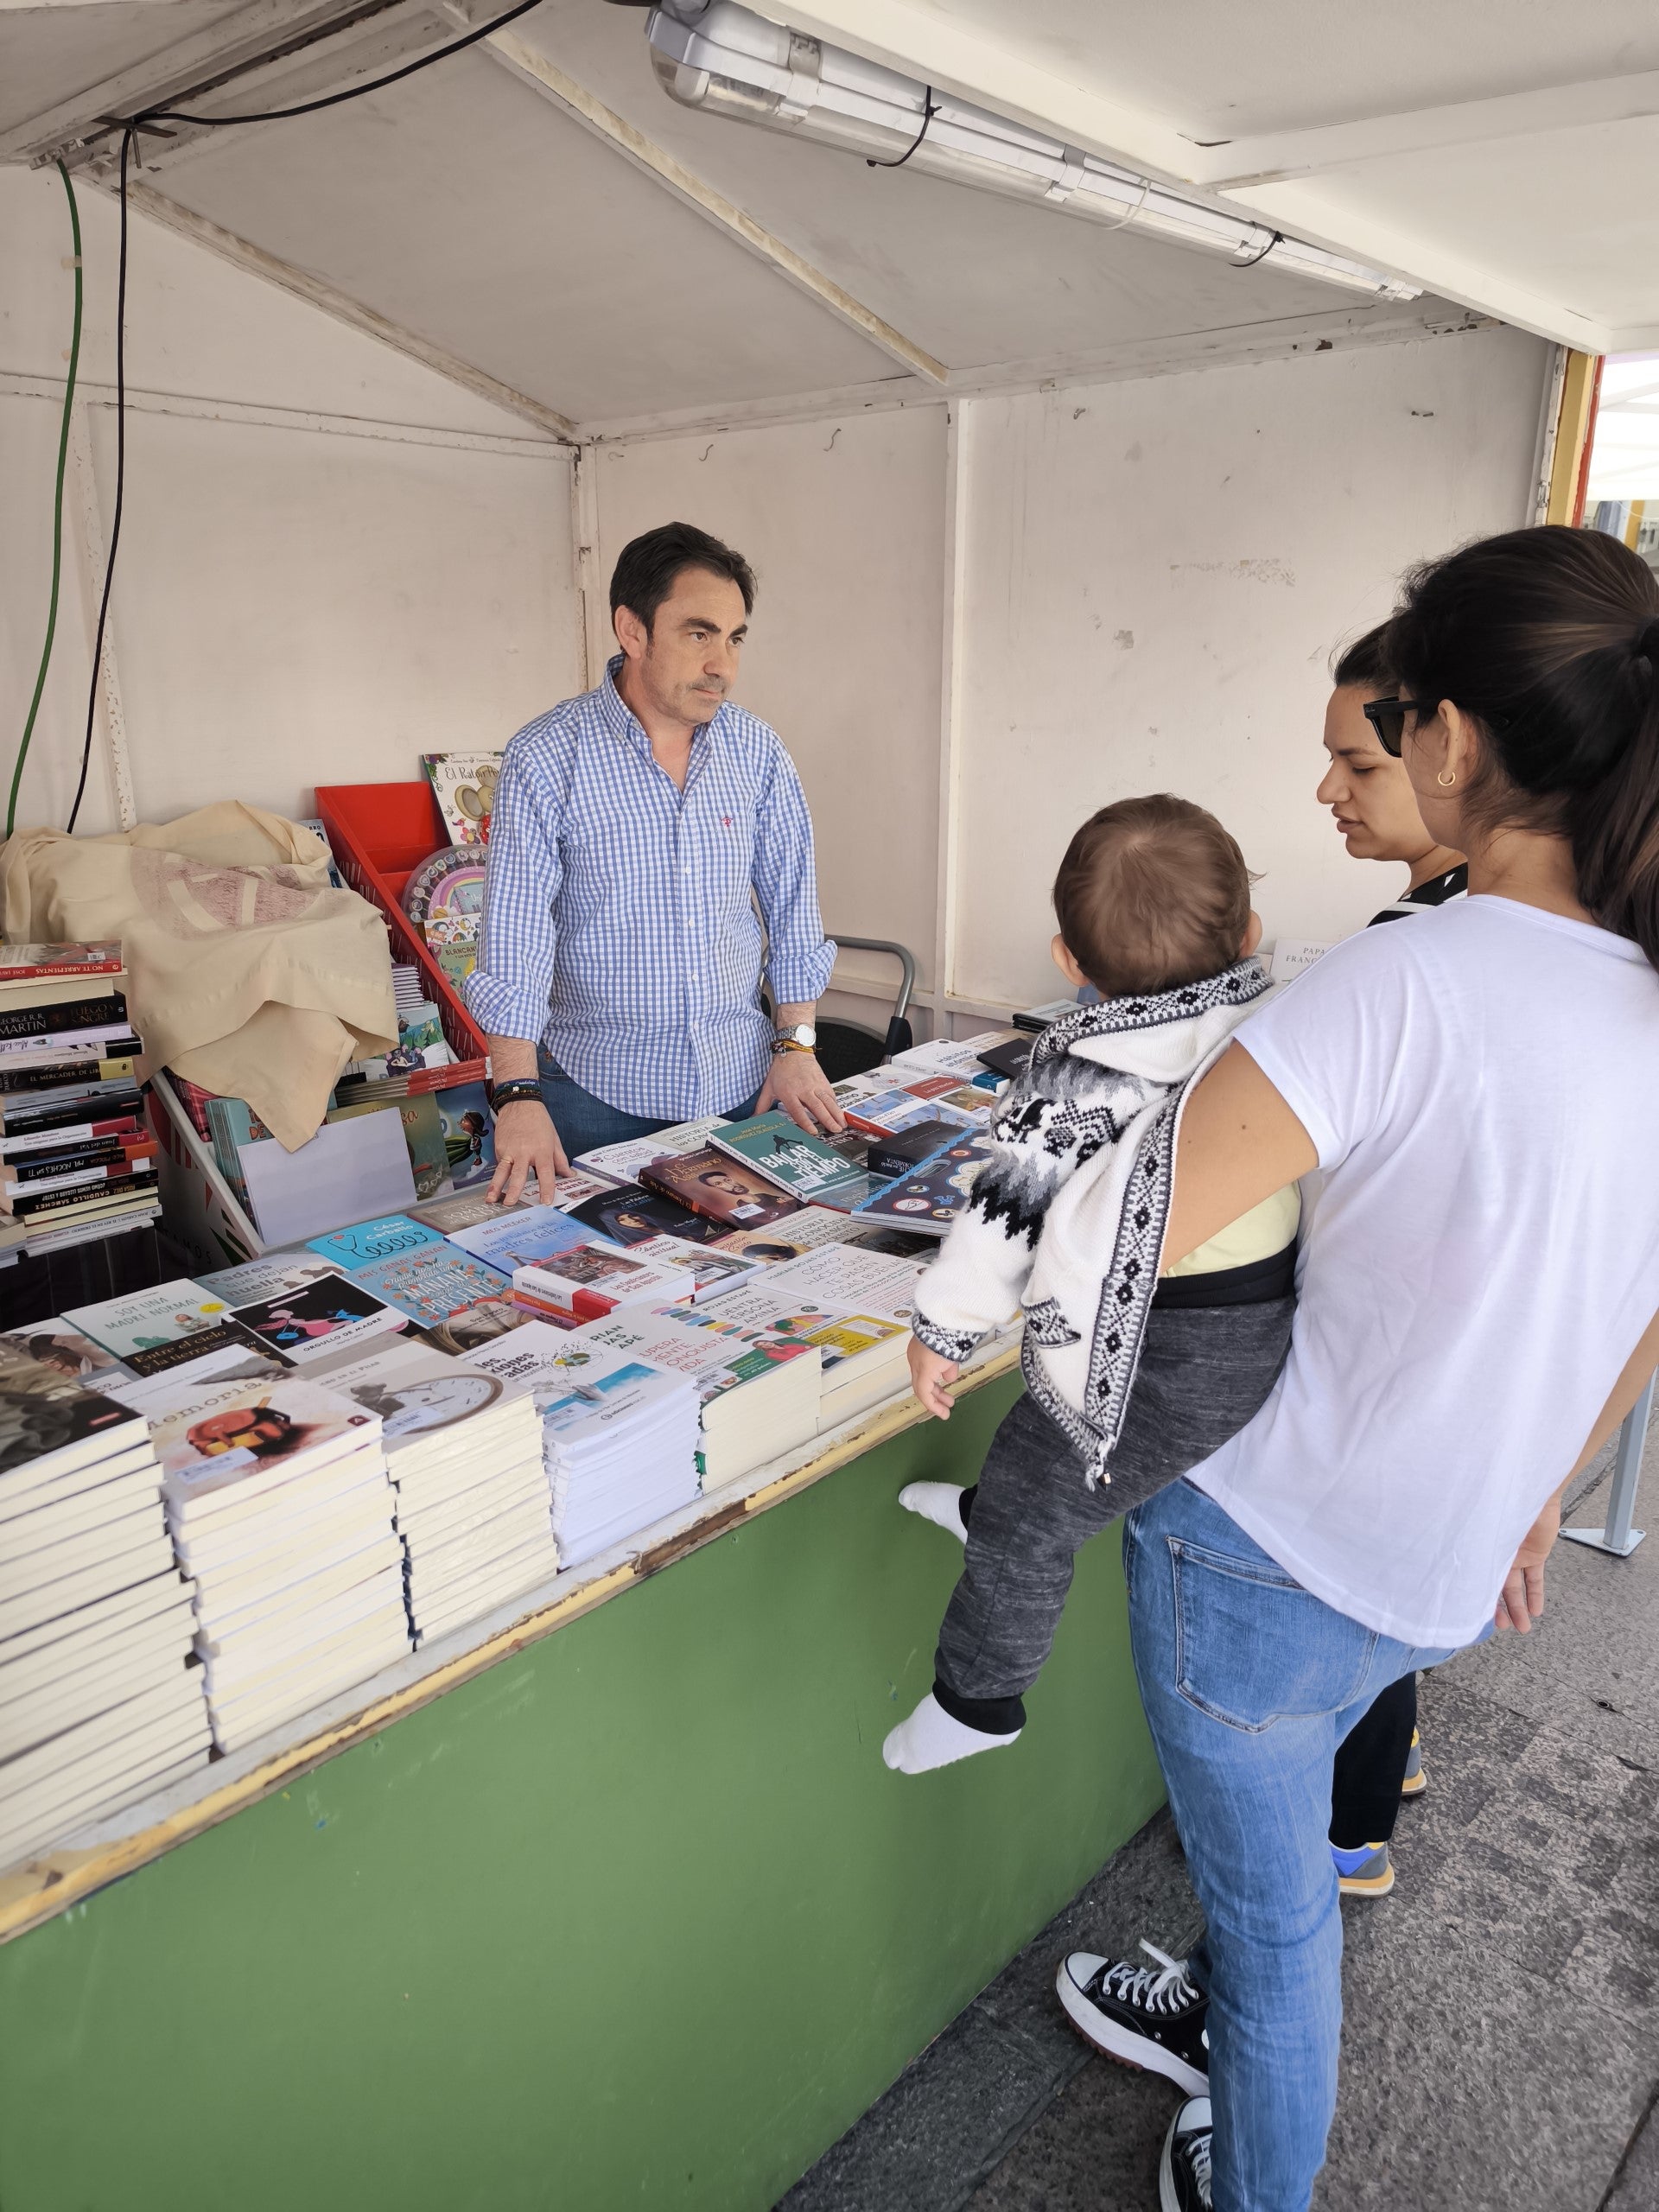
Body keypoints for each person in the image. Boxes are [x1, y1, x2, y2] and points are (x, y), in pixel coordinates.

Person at [1057, 525, 1659, 2212]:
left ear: (1452, 738)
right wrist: (1544, 1482)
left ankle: (1256, 2174)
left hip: (1258, 1556)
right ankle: (1226, 2045)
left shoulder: (1406, 977)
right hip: (1446, 1565)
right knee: (1279, 1891)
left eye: (1382, 732)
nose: (1360, 767)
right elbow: (1636, 1307)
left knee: (1277, 1931)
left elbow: (1133, 1224)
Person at [892, 797, 1300, 1775]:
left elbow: (1003, 1221)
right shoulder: (1272, 1015)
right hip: (1261, 1313)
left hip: (1168, 1350)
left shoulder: (1080, 1071)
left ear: (1067, 960)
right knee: (1036, 1455)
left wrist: (941, 1331)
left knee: (1037, 1519)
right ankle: (989, 1502)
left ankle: (977, 1700)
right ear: (1247, 931)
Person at [467, 521, 842, 1203]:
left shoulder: (757, 753)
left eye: (734, 639)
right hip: (593, 1099)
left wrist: (797, 1047)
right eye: (698, 634)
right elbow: (515, 939)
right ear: (632, 631)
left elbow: (794, 914)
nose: (722, 664)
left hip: (743, 1086)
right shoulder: (547, 757)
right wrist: (515, 1092)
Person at [1315, 620, 1470, 1897]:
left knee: (1355, 1584)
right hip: (1446, 1395)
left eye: (1356, 767)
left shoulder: (1425, 954)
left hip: (1396, 1380)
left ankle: (1346, 1836)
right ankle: (1394, 1753)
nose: (1327, 792)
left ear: (1447, 746)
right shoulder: (1457, 919)